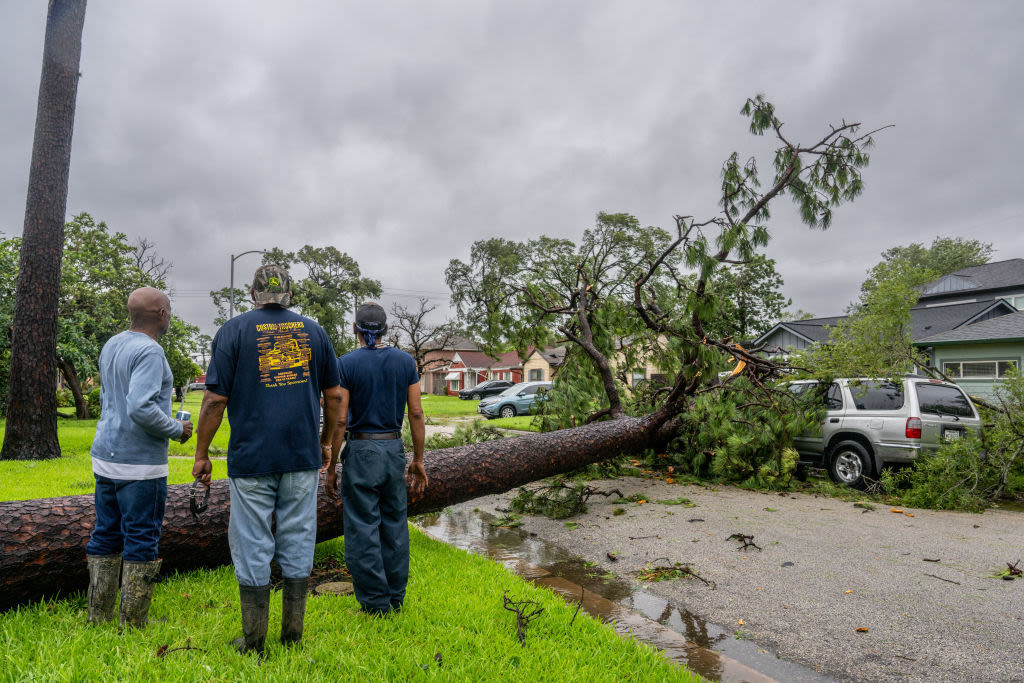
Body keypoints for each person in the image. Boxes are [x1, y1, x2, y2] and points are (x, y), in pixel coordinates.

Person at [192, 265, 342, 656]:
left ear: (252, 294)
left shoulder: (232, 331)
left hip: (252, 457)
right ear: (290, 294)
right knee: (298, 538)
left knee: (252, 541)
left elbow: (213, 400)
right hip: (301, 456)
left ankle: (254, 642)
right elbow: (336, 398)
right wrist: (325, 443)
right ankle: (292, 636)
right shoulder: (316, 332)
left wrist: (202, 453)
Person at [86, 287, 193, 629]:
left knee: (105, 534)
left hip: (105, 455)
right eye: (170, 309)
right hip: (139, 465)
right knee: (142, 537)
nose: (171, 314)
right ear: (161, 313)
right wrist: (177, 429)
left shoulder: (113, 344)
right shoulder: (150, 352)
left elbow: (112, 399)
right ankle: (132, 623)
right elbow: (140, 407)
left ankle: (98, 616)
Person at [324, 302, 428, 616]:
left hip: (362, 450)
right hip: (394, 449)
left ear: (356, 329)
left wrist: (331, 465)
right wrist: (418, 459)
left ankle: (374, 603)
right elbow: (417, 413)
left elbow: (340, 421)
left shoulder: (346, 364)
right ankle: (395, 597)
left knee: (362, 527)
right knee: (395, 524)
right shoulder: (405, 362)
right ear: (385, 329)